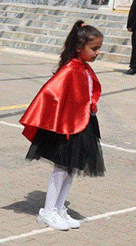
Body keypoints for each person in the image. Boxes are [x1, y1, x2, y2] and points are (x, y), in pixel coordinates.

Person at [21, 21, 105, 231]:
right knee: (61, 169)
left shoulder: (83, 68)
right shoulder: (69, 69)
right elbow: (50, 93)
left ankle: (59, 208)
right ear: (79, 47)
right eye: (94, 48)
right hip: (67, 127)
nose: (97, 53)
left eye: (98, 49)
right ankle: (48, 211)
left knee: (72, 169)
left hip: (82, 124)